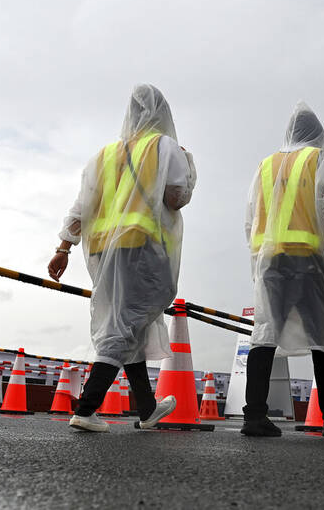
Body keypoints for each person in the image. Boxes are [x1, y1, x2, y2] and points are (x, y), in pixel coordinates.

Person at [48, 84, 197, 432]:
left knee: (130, 324)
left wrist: (63, 248)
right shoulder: (164, 147)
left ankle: (147, 408)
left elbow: (80, 208)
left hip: (102, 251)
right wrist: (188, 164)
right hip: (141, 247)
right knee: (123, 326)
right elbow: (177, 197)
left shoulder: (102, 157)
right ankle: (86, 409)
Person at [243, 102, 324, 437]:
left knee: (264, 334)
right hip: (309, 260)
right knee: (322, 337)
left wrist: (257, 261)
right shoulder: (322, 159)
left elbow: (251, 218)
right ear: (319, 132)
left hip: (270, 260)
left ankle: (254, 415)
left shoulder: (265, 165)